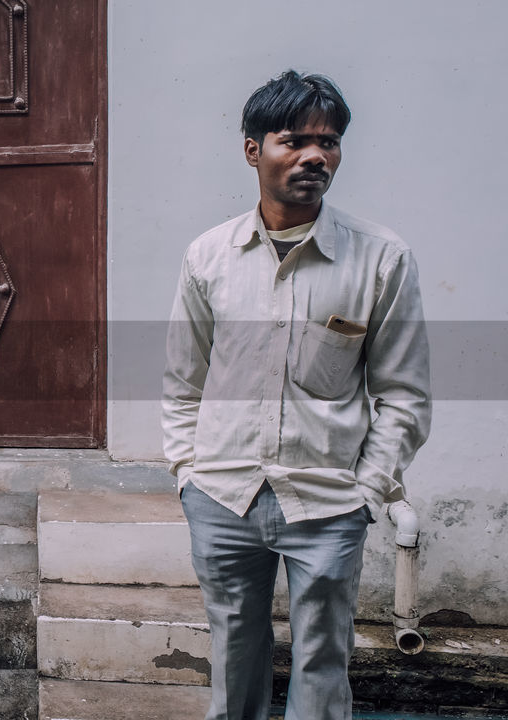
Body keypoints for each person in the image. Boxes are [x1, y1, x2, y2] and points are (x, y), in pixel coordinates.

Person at [161, 70, 431, 719]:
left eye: (329, 142)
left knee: (320, 666)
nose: (316, 155)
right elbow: (182, 381)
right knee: (234, 661)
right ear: (253, 149)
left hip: (328, 504)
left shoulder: (380, 260)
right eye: (295, 140)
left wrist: (369, 492)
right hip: (223, 496)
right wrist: (187, 475)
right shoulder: (208, 258)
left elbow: (403, 396)